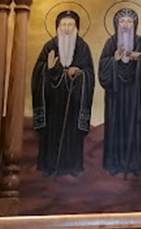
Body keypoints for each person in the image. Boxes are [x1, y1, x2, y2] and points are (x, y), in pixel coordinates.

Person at [31, 10, 95, 176]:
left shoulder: (82, 47)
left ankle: (72, 167)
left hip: (74, 101)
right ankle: (49, 166)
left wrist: (79, 73)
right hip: (52, 101)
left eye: (70, 25)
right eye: (64, 25)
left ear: (76, 27)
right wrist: (49, 68)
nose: (67, 28)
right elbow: (38, 72)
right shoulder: (50, 46)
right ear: (58, 27)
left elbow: (89, 72)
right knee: (51, 133)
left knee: (72, 134)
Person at [98, 8, 141, 177]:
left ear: (135, 24)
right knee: (115, 126)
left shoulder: (140, 42)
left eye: (129, 21)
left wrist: (139, 60)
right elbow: (102, 68)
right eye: (122, 21)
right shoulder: (111, 43)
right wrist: (114, 60)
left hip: (134, 92)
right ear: (116, 24)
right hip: (115, 94)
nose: (126, 25)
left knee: (134, 127)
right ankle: (114, 163)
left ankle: (134, 163)